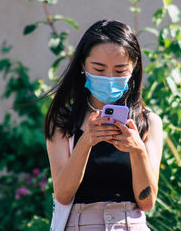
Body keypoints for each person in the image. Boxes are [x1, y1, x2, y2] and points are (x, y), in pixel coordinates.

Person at [44, 19, 163, 230]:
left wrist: (137, 151)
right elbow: (62, 194)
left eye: (119, 71)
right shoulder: (64, 120)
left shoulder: (147, 122)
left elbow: (147, 201)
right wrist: (86, 142)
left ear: (133, 69)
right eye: (99, 69)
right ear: (82, 65)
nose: (109, 78)